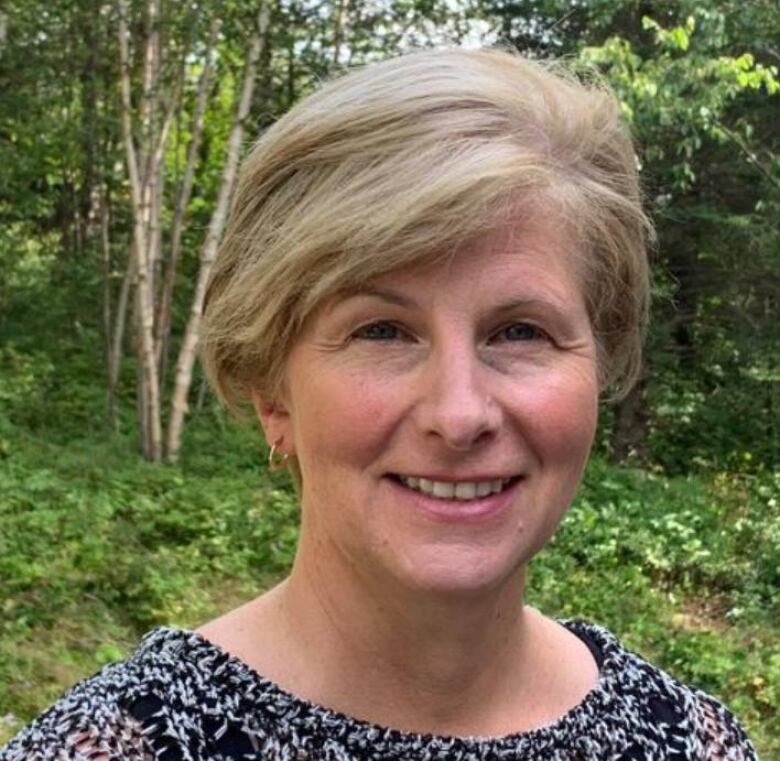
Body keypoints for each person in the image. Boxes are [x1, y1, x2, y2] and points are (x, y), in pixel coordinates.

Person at [1, 48, 757, 761]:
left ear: (601, 359)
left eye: (519, 330)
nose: (459, 415)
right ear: (272, 390)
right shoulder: (119, 744)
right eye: (383, 331)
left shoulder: (690, 742)